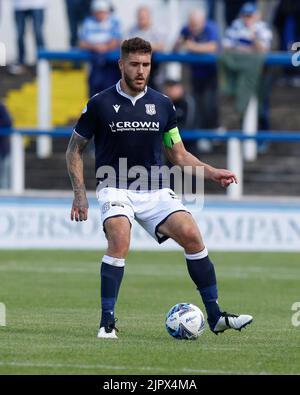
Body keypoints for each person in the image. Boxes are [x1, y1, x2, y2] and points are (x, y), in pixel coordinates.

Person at [66, 37, 253, 339]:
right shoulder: (99, 103)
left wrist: (211, 172)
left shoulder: (163, 104)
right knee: (119, 237)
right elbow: (73, 150)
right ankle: (107, 323)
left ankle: (216, 316)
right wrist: (80, 196)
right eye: (134, 64)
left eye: (146, 64)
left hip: (154, 189)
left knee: (192, 234)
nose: (141, 71)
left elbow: (177, 154)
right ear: (121, 65)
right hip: (114, 186)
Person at [174, 8, 220, 152]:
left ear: (202, 22)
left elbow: (213, 47)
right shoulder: (186, 29)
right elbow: (175, 47)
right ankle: (200, 138)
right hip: (193, 74)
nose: (192, 27)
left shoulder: (211, 28)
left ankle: (213, 133)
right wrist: (180, 42)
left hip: (211, 73)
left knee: (209, 104)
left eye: (195, 24)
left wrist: (193, 47)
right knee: (195, 105)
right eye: (191, 24)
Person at [79, 0, 121, 97]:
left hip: (111, 65)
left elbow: (117, 40)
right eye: (98, 12)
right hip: (95, 63)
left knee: (110, 93)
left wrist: (105, 47)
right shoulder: (88, 22)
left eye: (103, 12)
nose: (100, 14)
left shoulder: (114, 21)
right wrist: (96, 47)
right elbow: (81, 43)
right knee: (95, 91)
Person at [126, 5, 166, 89]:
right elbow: (124, 44)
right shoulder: (131, 30)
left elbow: (162, 46)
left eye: (143, 17)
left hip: (154, 69)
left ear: (149, 17)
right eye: (139, 17)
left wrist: (139, 46)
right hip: (135, 70)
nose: (141, 20)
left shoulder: (157, 30)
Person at [10, 0, 48, 74]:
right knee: (19, 35)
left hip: (38, 4)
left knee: (38, 33)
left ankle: (42, 63)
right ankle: (21, 62)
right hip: (19, 5)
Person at [0, 102, 12, 189]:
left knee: (4, 175)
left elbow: (8, 123)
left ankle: (5, 192)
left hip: (2, 148)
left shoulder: (1, 108)